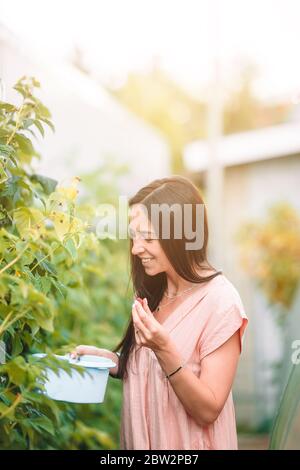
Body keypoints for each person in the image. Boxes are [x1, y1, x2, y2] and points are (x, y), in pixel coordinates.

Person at [71, 175, 248, 450]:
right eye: (133, 236)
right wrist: (113, 362)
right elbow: (152, 370)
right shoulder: (155, 290)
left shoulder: (221, 302)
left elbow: (208, 409)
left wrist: (164, 348)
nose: (135, 248)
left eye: (148, 237)